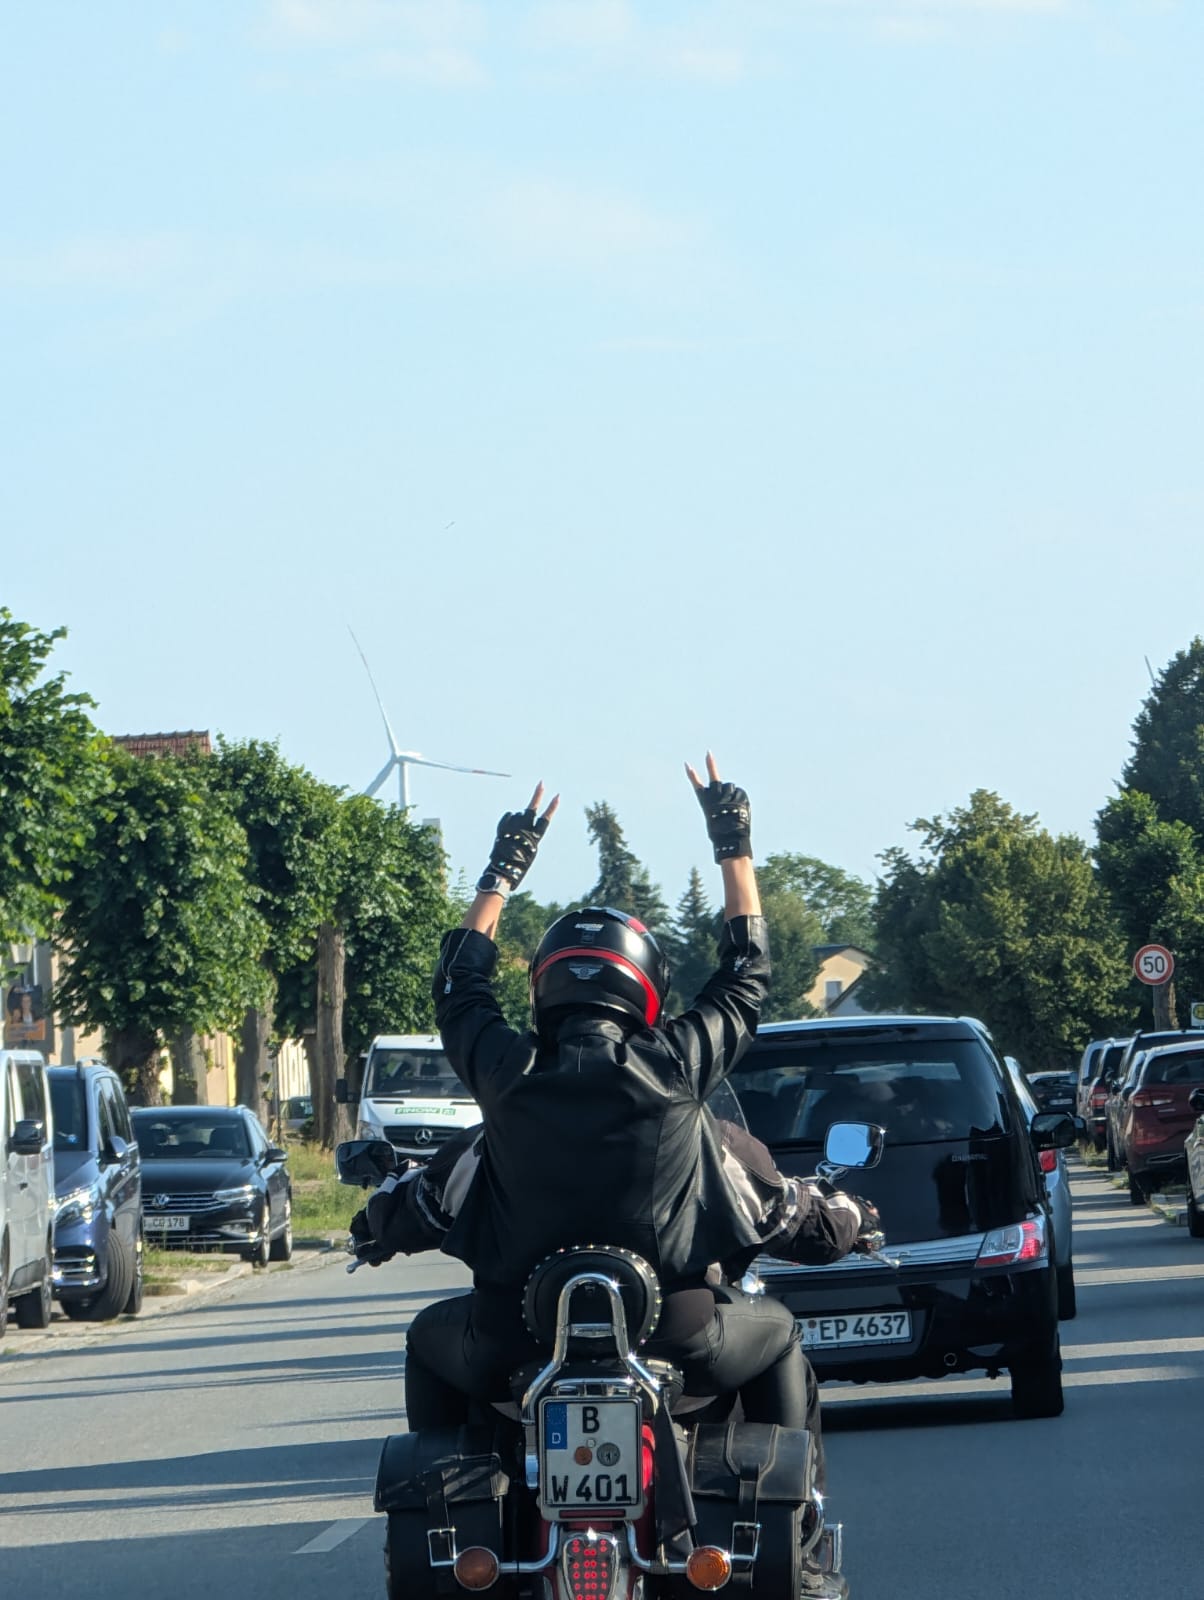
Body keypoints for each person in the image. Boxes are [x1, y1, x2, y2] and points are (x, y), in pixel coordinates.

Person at [392, 757, 881, 1512]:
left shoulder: (504, 1070)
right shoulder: (678, 1065)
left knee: (428, 1335)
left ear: (545, 986)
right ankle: (800, 1533)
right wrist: (733, 842)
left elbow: (460, 986)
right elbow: (747, 975)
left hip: (512, 1343)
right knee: (778, 1333)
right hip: (675, 1335)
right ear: (645, 987)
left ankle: (453, 1516)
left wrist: (502, 870)